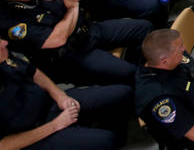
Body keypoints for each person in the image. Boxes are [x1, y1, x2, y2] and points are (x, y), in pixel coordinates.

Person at [0, 0, 150, 86]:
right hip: (71, 55)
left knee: (144, 29)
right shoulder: (7, 20)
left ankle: (140, 68)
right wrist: (72, 7)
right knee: (128, 72)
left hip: (88, 30)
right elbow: (57, 39)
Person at [0, 38, 133, 150]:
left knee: (123, 94)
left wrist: (60, 96)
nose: (5, 43)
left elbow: (33, 72)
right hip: (35, 135)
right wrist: (55, 125)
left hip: (51, 103)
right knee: (107, 140)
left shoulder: (3, 56)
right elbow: (3, 145)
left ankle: (102, 133)